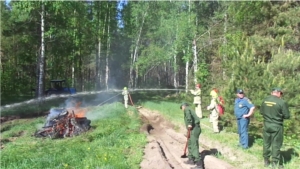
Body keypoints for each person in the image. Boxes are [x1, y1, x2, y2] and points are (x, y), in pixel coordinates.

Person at [260, 88, 290, 168]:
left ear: (272, 92)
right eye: (281, 94)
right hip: (277, 125)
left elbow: (261, 112)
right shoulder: (281, 102)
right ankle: (275, 163)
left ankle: (266, 161)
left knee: (266, 143)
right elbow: (287, 116)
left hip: (266, 125)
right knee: (276, 144)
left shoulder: (265, 100)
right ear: (279, 93)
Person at [180, 103, 204, 169]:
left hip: (194, 128)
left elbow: (188, 116)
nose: (182, 109)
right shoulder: (189, 109)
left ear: (183, 106)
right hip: (192, 129)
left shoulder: (187, 109)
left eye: (181, 108)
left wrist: (189, 123)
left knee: (193, 145)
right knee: (190, 143)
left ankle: (199, 164)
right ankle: (191, 159)